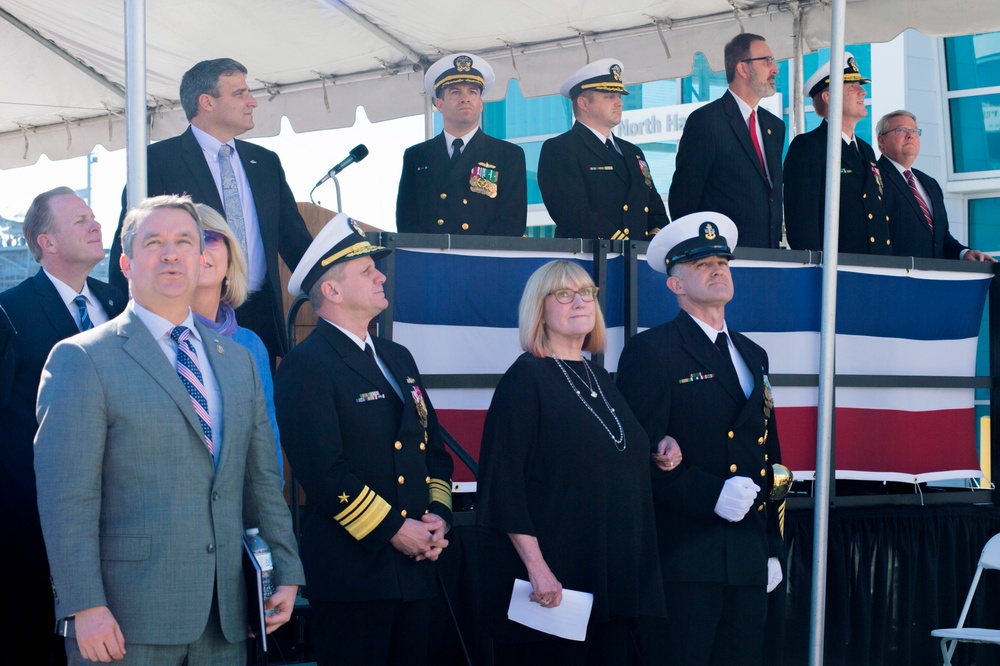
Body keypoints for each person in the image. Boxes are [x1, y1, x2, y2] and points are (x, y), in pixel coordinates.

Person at [34, 195, 303, 664]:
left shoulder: (238, 361)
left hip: (226, 619)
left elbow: (261, 479)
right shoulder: (81, 359)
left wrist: (286, 567)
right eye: (153, 242)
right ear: (126, 263)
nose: (171, 253)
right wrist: (83, 605)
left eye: (183, 241)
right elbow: (66, 500)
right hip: (124, 622)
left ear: (203, 259)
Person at [275, 215, 453, 666]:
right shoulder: (307, 365)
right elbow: (323, 472)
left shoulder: (396, 356)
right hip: (355, 572)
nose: (381, 275)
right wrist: (395, 529)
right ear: (331, 292)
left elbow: (430, 449)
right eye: (366, 270)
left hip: (417, 565)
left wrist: (436, 519)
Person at [617, 212, 785, 666]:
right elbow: (638, 457)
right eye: (702, 264)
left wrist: (772, 546)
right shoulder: (651, 352)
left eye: (723, 262)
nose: (717, 270)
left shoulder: (753, 353)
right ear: (675, 284)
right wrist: (710, 494)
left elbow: (771, 457)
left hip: (748, 556)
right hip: (686, 559)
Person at [477, 260, 666, 663]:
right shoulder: (525, 378)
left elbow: (603, 457)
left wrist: (656, 451)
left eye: (587, 293)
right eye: (564, 294)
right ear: (538, 308)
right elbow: (503, 485)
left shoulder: (598, 376)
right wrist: (538, 568)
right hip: (559, 588)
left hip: (614, 581)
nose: (580, 301)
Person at [109, 57, 313, 363]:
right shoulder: (157, 162)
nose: (252, 102)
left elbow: (295, 240)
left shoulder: (266, 162)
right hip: (189, 316)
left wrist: (329, 284)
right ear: (207, 102)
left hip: (260, 319)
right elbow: (128, 244)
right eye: (240, 93)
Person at [0, 187, 125, 666]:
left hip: (116, 515)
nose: (96, 226)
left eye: (94, 217)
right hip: (31, 524)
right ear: (46, 241)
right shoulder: (10, 312)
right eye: (79, 220)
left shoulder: (118, 302)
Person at [190, 204, 285, 478]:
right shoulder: (157, 337)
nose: (200, 250)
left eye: (210, 237)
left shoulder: (251, 344)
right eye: (188, 240)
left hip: (238, 513)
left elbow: (266, 443)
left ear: (231, 259)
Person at [668, 33, 784, 249]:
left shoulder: (774, 127)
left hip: (769, 258)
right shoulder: (706, 121)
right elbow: (683, 201)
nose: (775, 68)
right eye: (767, 61)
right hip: (723, 257)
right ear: (742, 68)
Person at [396, 53, 527, 236]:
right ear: (439, 104)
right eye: (456, 92)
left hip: (484, 259)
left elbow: (512, 220)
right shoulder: (417, 155)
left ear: (481, 104)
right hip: (433, 258)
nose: (465, 98)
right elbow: (407, 221)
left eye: (472, 92)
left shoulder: (508, 155)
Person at [537, 58, 668, 240]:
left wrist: (651, 242)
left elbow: (656, 211)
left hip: (638, 259)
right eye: (609, 97)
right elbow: (572, 214)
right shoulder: (560, 149)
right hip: (592, 260)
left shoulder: (633, 152)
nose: (619, 103)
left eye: (619, 97)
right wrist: (621, 243)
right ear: (584, 104)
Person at [784, 53, 891, 255]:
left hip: (875, 267)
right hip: (836, 273)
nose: (862, 92)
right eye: (853, 87)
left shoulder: (865, 150)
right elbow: (802, 222)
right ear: (828, 97)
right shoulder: (808, 147)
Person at [876, 110, 995, 262]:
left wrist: (964, 253)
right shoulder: (874, 177)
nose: (910, 135)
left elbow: (941, 238)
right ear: (881, 140)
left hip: (933, 280)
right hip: (896, 278)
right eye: (901, 130)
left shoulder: (929, 183)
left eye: (914, 131)